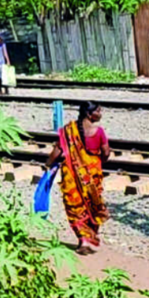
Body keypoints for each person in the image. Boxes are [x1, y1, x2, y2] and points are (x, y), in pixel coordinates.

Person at [45, 102, 111, 255]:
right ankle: (89, 237)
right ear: (89, 114)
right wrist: (96, 161)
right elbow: (106, 153)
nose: (101, 114)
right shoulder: (99, 132)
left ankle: (83, 239)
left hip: (72, 177)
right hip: (92, 177)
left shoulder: (68, 131)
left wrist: (48, 164)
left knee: (75, 207)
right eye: (98, 111)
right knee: (93, 205)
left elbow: (56, 151)